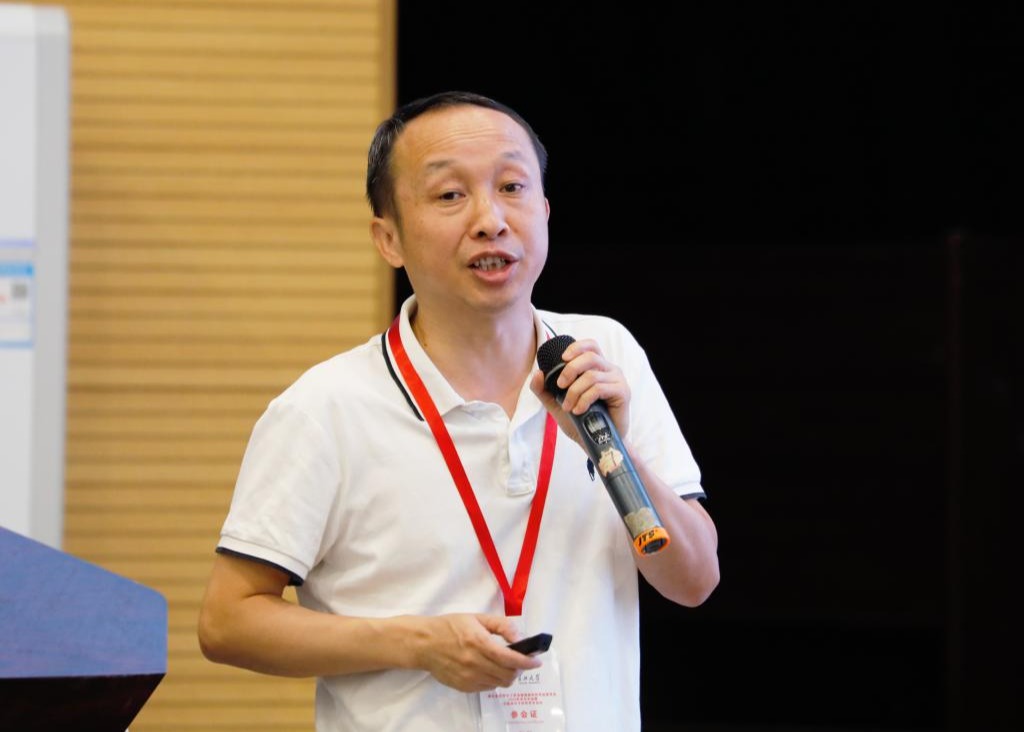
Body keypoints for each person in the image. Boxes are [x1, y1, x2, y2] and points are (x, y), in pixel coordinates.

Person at [198, 90, 719, 732]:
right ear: (388, 238)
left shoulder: (604, 355)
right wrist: (416, 643)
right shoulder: (325, 408)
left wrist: (610, 446)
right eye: (450, 195)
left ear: (545, 211)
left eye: (512, 187)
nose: (490, 219)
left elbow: (694, 580)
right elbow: (228, 621)